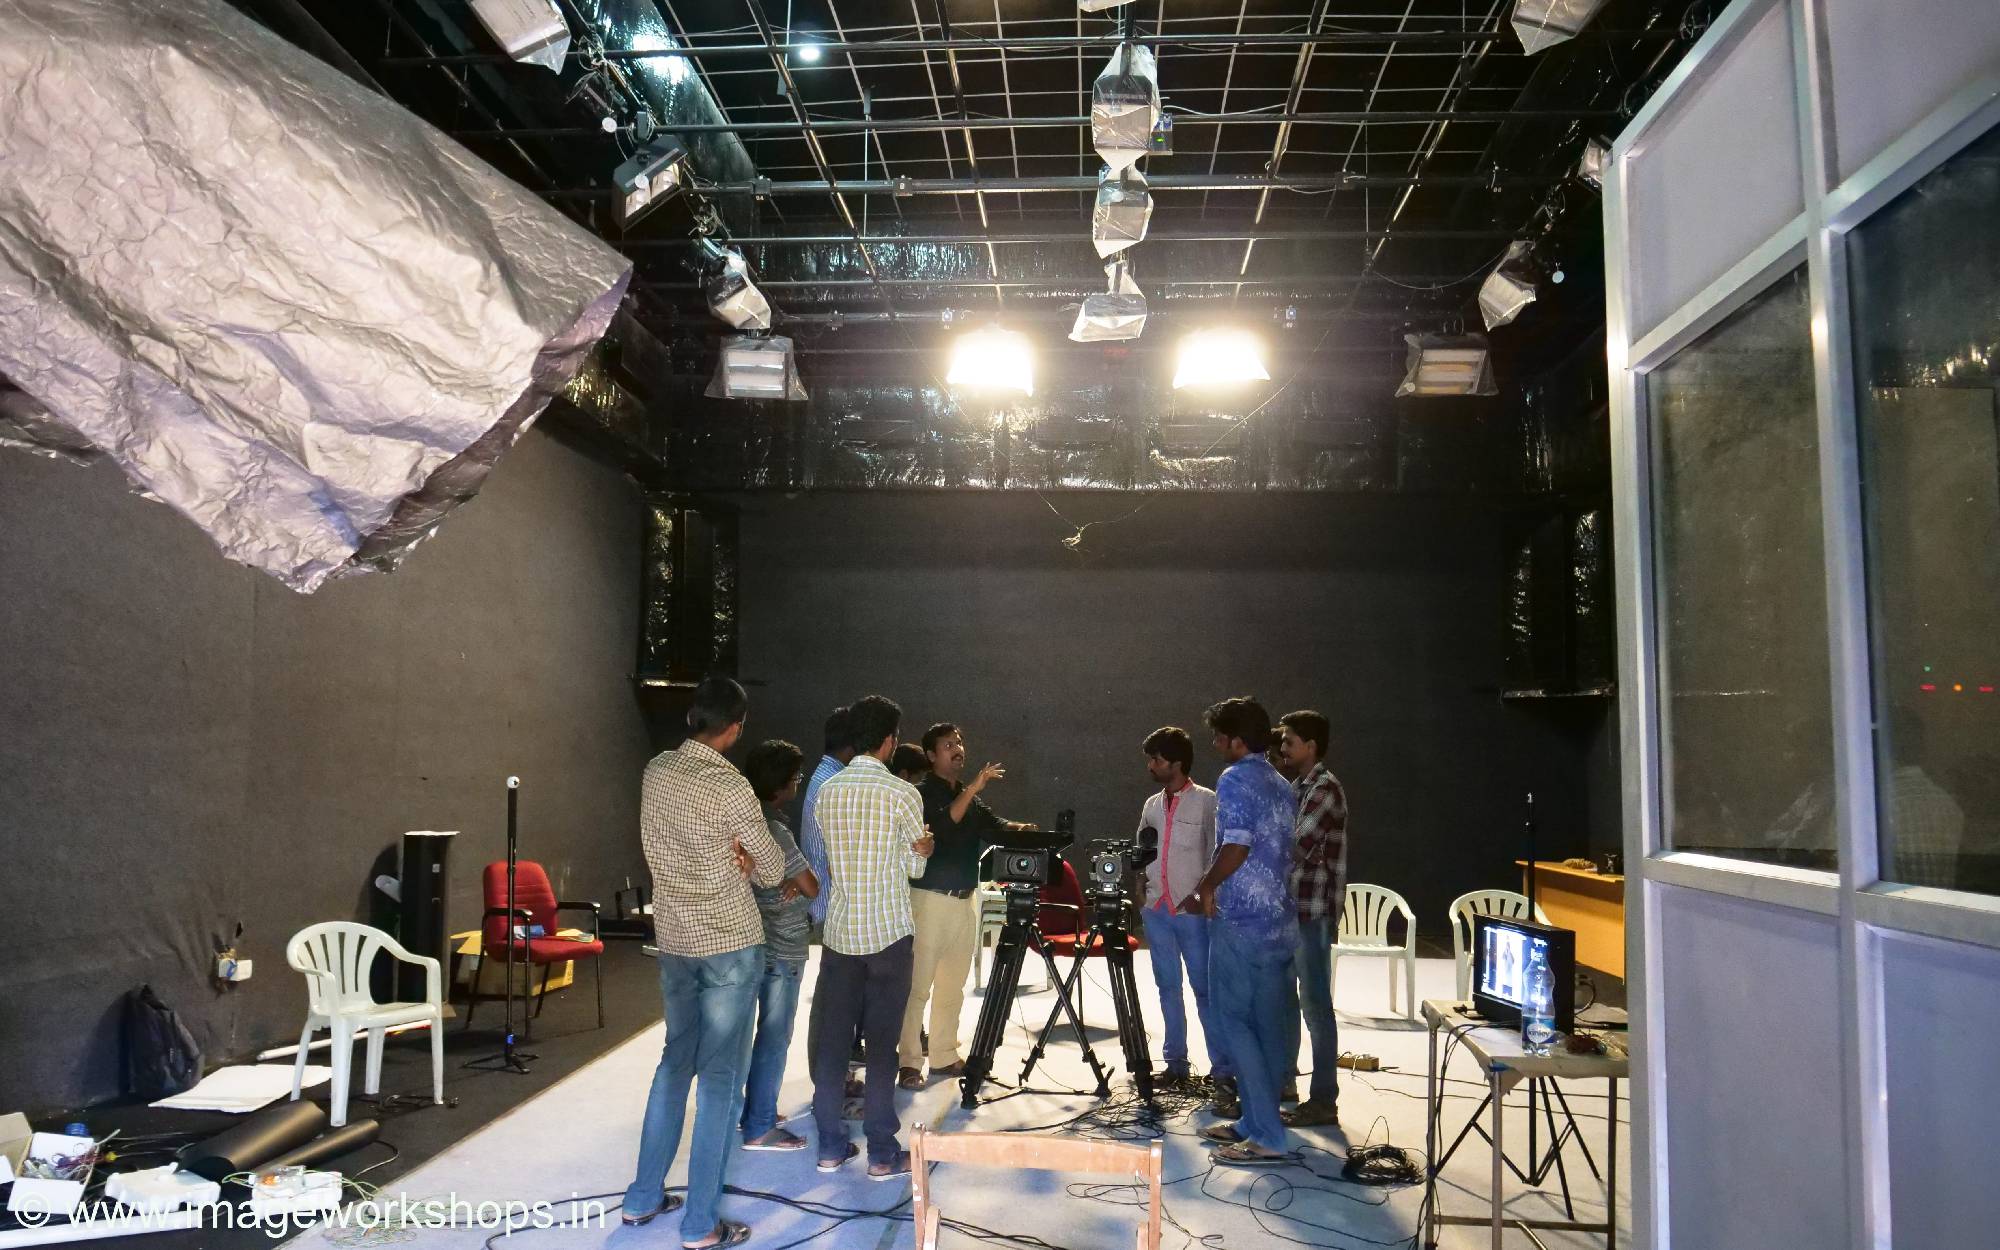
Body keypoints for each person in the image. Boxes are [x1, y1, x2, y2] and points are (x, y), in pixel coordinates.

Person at [625, 677, 786, 1244]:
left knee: (674, 1064)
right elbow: (772, 870)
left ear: (694, 715)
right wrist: (744, 861)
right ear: (736, 727)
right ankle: (699, 1224)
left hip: (675, 939)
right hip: (729, 945)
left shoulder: (657, 770)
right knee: (719, 1080)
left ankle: (642, 1198)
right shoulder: (730, 785)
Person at [808, 695, 934, 1181]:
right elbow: (914, 867)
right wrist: (923, 849)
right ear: (888, 741)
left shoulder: (827, 792)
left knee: (834, 1043)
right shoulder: (903, 793)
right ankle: (882, 1151)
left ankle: (829, 1146)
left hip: (841, 933)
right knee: (882, 1045)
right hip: (887, 935)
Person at [1179, 696, 1299, 1166]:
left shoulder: (1234, 779)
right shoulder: (1281, 783)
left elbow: (1236, 845)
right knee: (1267, 1026)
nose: (1214, 745)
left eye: (1218, 737)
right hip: (1278, 923)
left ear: (1235, 740)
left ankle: (1266, 1134)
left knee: (1233, 1021)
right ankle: (1254, 1121)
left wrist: (1206, 886)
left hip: (1241, 921)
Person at [900, 722, 1033, 1089]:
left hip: (964, 900)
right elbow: (942, 825)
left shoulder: (966, 794)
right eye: (948, 745)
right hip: (929, 900)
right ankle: (909, 1062)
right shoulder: (919, 793)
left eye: (959, 742)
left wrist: (1022, 830)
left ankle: (943, 1056)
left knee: (952, 986)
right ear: (931, 755)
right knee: (917, 988)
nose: (958, 748)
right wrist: (974, 787)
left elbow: (993, 824)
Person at [1135, 727, 1228, 1090]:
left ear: (1176, 763)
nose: (1151, 765)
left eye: (1156, 759)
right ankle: (1175, 1064)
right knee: (1167, 988)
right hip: (1157, 909)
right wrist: (1141, 889)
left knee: (1205, 990)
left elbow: (1219, 853)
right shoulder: (1151, 805)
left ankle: (1223, 1070)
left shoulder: (1207, 801)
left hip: (1193, 912)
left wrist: (1201, 897)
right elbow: (1142, 850)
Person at [738, 740, 820, 1152]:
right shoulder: (775, 831)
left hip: (747, 941)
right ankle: (760, 1126)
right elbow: (811, 885)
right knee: (773, 1036)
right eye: (796, 777)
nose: (797, 784)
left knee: (748, 1036)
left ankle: (752, 1111)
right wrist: (796, 880)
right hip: (783, 946)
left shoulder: (741, 820)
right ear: (782, 783)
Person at [1275, 710, 1347, 1130]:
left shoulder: (1325, 789)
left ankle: (1323, 1099)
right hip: (1291, 910)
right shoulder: (1298, 787)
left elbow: (1295, 844)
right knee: (1286, 999)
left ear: (1311, 746)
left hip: (1311, 912)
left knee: (1316, 1005)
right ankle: (1286, 1082)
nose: (1282, 748)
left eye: (1289, 741)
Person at [799, 706, 855, 929]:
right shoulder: (836, 784)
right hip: (831, 909)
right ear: (854, 744)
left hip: (822, 905)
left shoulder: (825, 774)